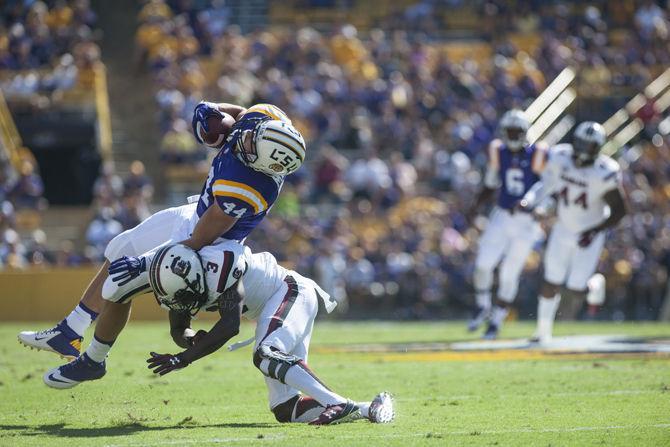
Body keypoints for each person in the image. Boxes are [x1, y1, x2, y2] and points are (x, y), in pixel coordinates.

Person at [18, 102, 306, 362]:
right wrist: (214, 117)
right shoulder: (264, 120)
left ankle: (93, 358)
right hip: (197, 213)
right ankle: (69, 331)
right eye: (249, 136)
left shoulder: (250, 187)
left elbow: (198, 239)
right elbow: (238, 115)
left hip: (209, 241)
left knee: (121, 278)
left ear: (267, 166)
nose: (242, 140)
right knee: (121, 247)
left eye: (250, 146)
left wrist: (147, 263)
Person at [45, 243, 395, 426]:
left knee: (266, 354)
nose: (180, 302)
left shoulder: (222, 267)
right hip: (267, 307)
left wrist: (185, 358)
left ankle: (336, 402)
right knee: (285, 410)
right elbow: (180, 327)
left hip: (290, 291)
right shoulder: (175, 276)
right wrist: (187, 339)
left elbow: (229, 325)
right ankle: (368, 408)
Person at [518, 122, 627, 343]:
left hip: (590, 232)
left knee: (576, 288)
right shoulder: (560, 157)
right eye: (582, 145)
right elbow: (548, 188)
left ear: (599, 148)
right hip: (563, 227)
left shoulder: (605, 172)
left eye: (590, 146)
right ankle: (542, 331)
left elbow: (619, 211)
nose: (585, 150)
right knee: (551, 280)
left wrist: (594, 230)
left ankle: (594, 285)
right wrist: (533, 203)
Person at [467, 110, 547, 339]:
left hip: (526, 223)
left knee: (509, 275)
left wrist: (538, 206)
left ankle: (496, 321)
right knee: (483, 265)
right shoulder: (498, 152)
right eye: (509, 131)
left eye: (516, 131)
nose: (512, 135)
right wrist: (474, 207)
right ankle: (483, 306)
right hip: (501, 216)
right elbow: (491, 184)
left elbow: (547, 187)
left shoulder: (537, 153)